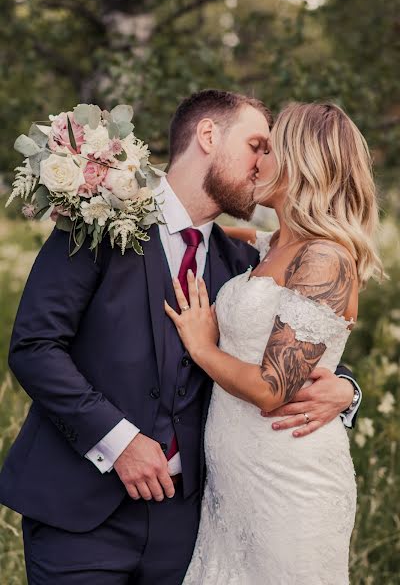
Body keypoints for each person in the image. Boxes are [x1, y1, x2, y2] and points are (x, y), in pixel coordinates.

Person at [0, 92, 360, 584]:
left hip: (190, 522)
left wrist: (345, 389)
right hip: (80, 514)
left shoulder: (243, 269)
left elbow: (289, 344)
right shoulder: (97, 220)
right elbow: (34, 346)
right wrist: (119, 442)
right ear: (208, 137)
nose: (262, 163)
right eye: (257, 144)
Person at [165, 101, 384, 584]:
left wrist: (203, 348)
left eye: (268, 149)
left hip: (288, 482)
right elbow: (192, 225)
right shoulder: (272, 246)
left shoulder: (325, 259)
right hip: (234, 485)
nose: (257, 161)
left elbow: (272, 389)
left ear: (300, 162)